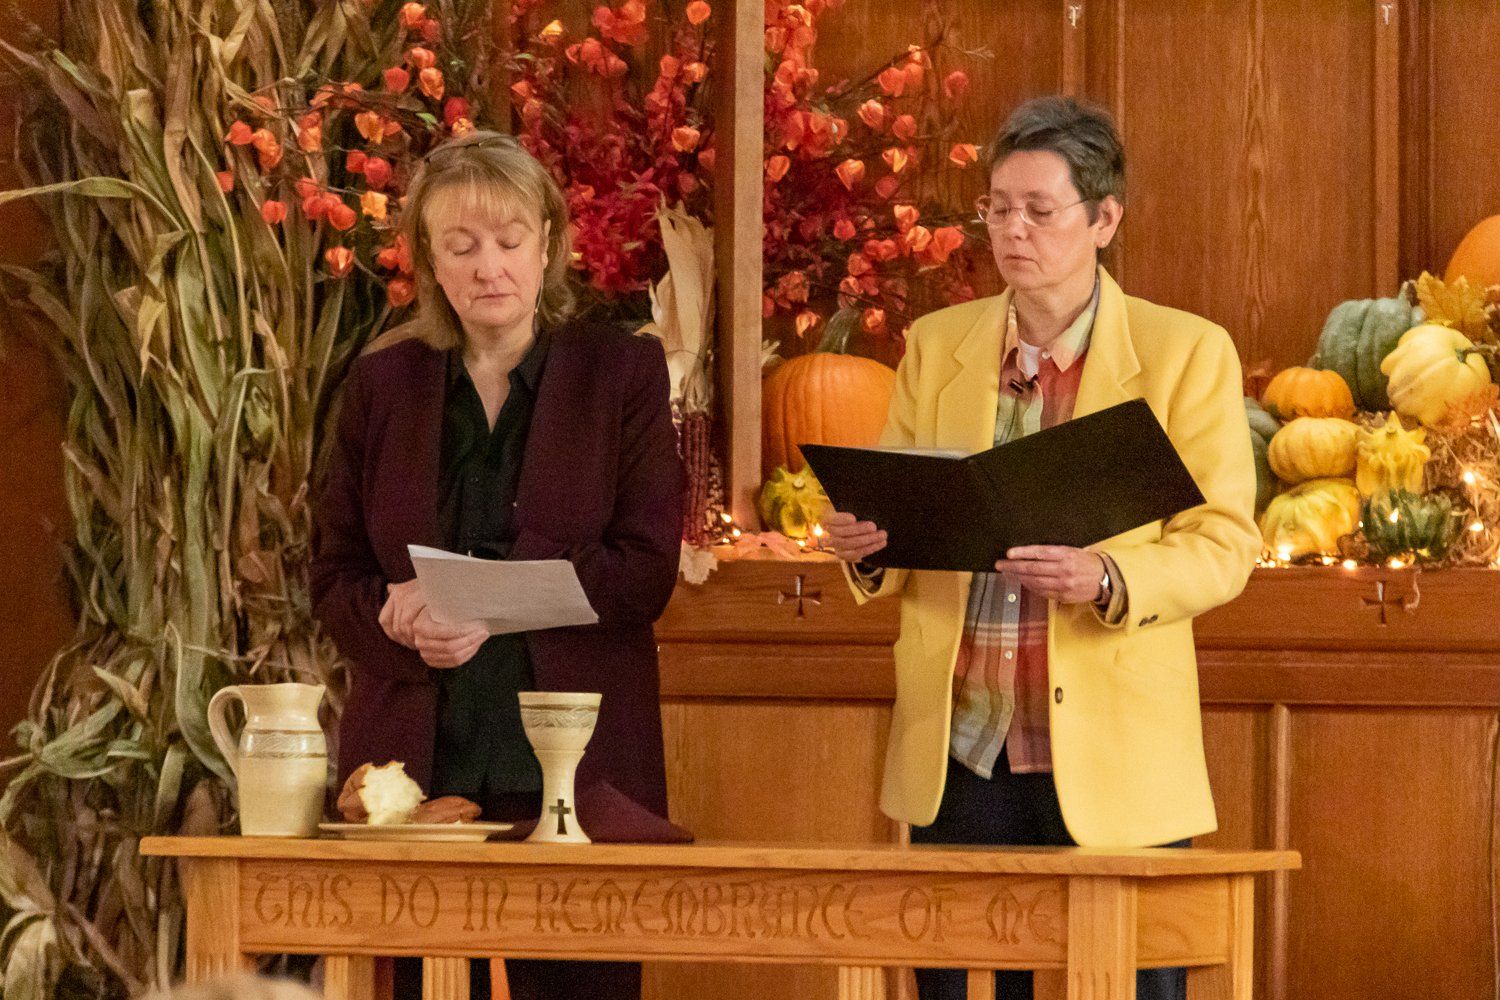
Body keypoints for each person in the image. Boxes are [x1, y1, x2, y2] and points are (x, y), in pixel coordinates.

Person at [823, 96, 1260, 1000]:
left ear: (1105, 219)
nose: (1012, 231)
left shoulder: (1185, 352)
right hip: (964, 750)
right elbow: (903, 521)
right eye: (997, 208)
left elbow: (1224, 542)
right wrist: (867, 545)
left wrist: (1108, 575)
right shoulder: (937, 345)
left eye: (1039, 210)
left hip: (1115, 756)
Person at [310, 130, 684, 1000]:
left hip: (576, 771)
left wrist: (493, 601)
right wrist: (397, 619)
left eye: (510, 240)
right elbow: (333, 574)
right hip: (414, 767)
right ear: (428, 261)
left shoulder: (620, 371)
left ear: (547, 244)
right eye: (462, 246)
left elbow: (645, 571)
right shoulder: (381, 384)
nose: (490, 267)